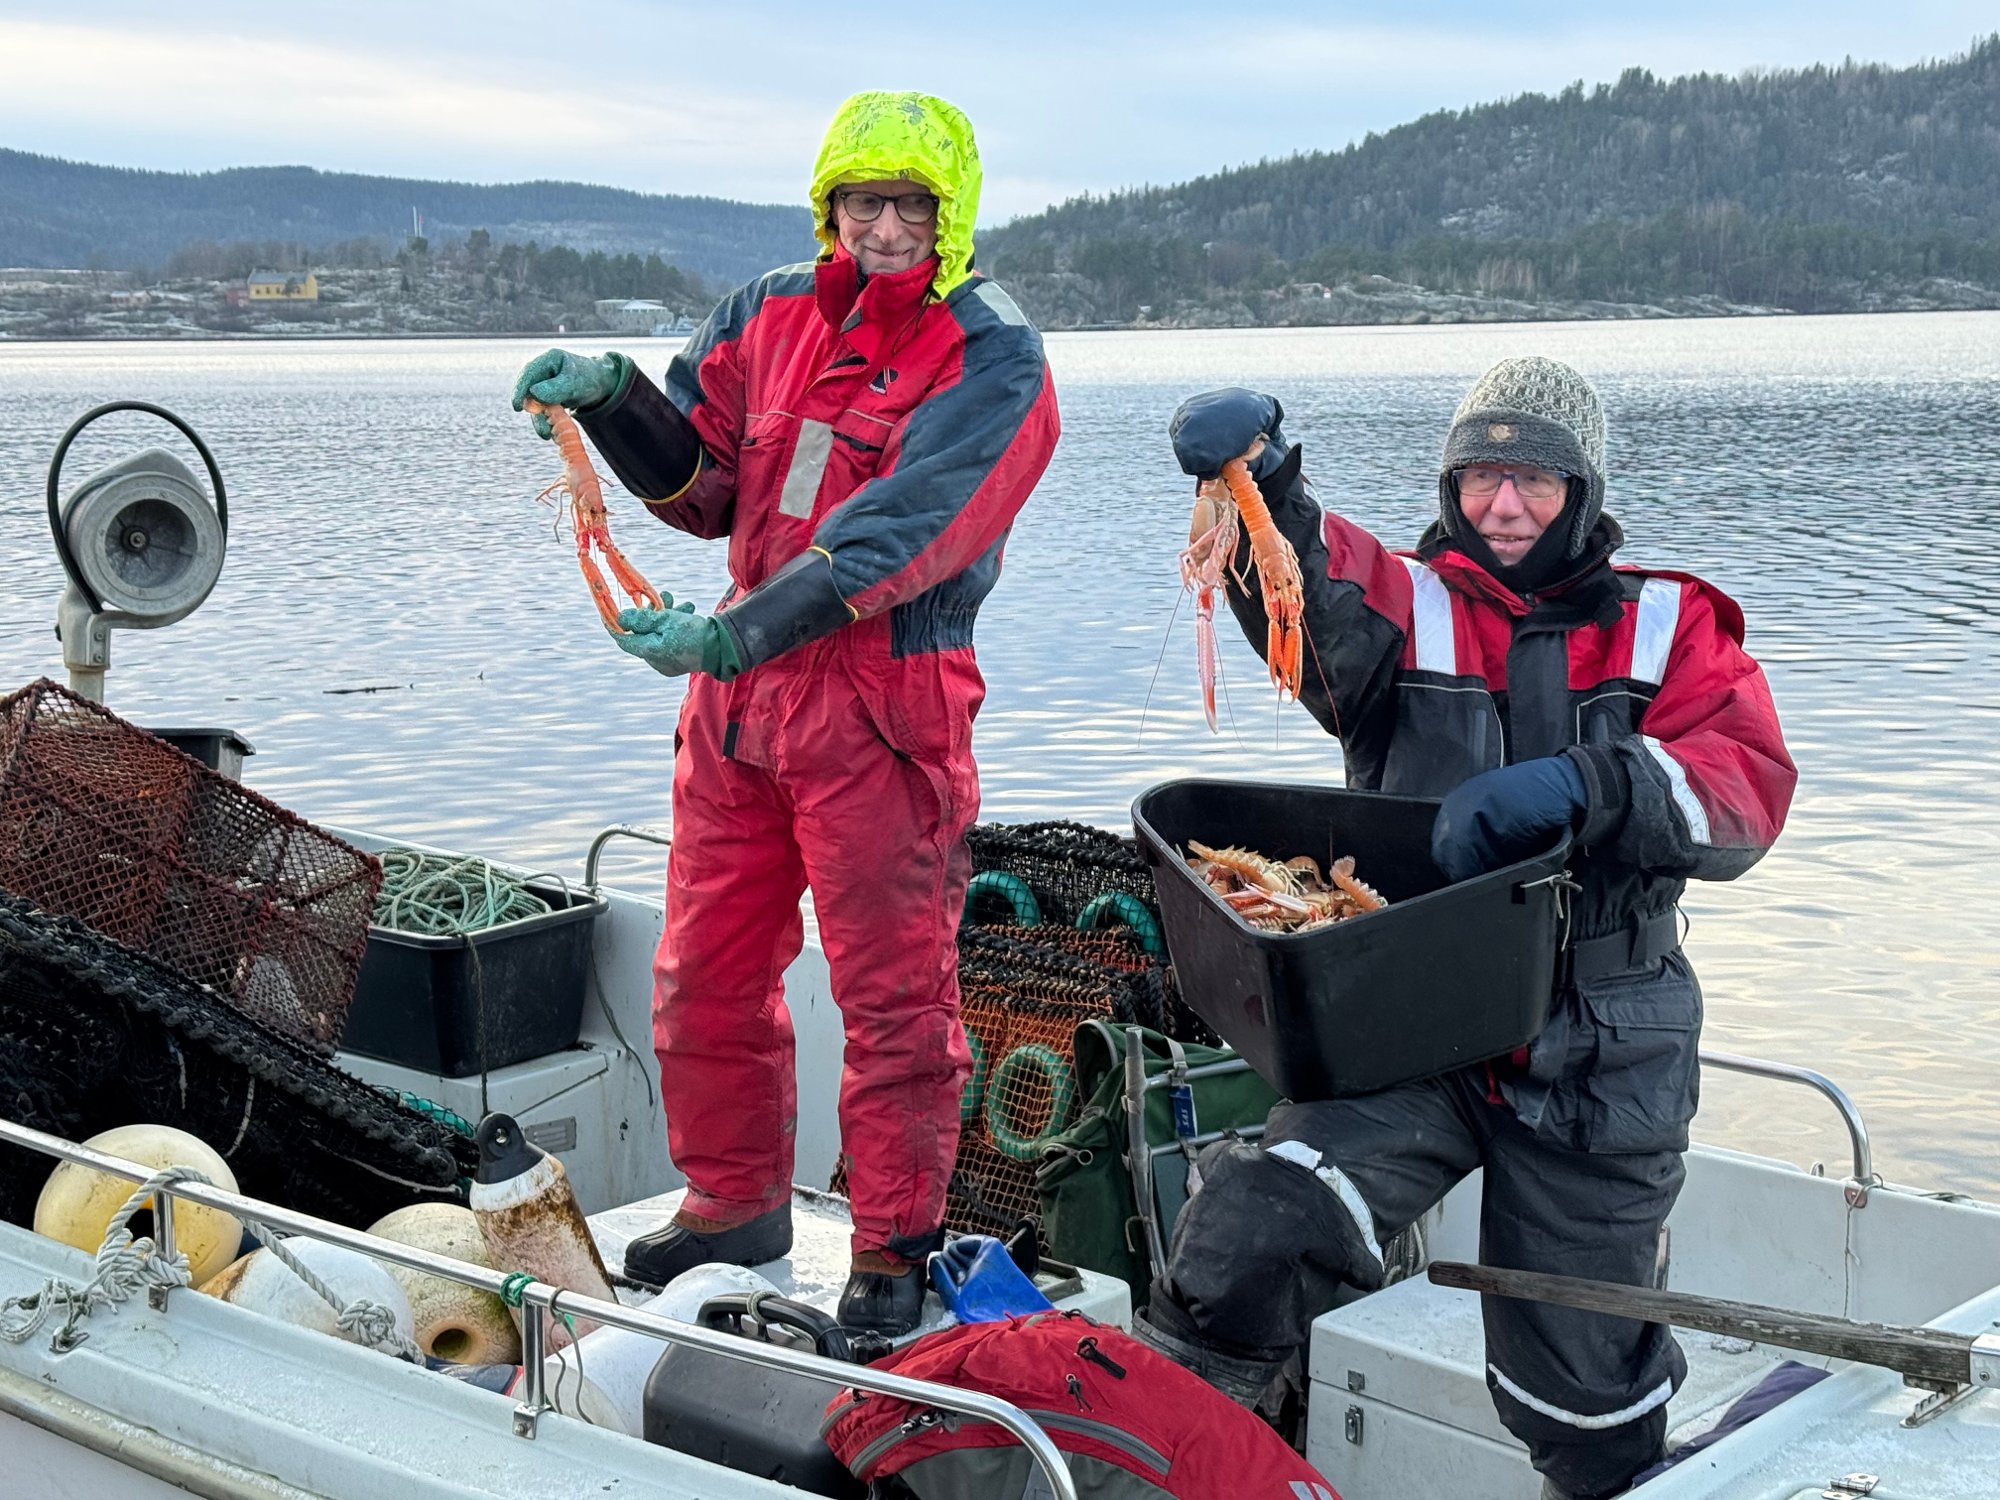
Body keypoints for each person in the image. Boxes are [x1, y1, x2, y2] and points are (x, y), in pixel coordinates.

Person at [1138, 360, 1795, 1499]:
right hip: (1415, 1017)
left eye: (1534, 479)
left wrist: (1589, 784)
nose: (1503, 506)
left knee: (1581, 1388)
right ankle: (1154, 1467)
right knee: (1251, 1226)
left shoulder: (1668, 624)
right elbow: (1308, 587)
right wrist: (1260, 481)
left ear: (1581, 489)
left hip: (1605, 1037)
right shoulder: (1408, 603)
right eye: (1480, 477)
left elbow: (1744, 793)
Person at [509, 91, 1059, 1334]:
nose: (883, 227)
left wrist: (730, 634)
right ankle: (731, 1204)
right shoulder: (765, 309)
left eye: (909, 204)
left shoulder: (994, 356)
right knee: (701, 968)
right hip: (738, 706)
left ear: (951, 213)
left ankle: (893, 1245)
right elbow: (703, 487)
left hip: (882, 704)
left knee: (892, 993)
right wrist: (612, 396)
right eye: (861, 201)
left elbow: (898, 538)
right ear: (829, 206)